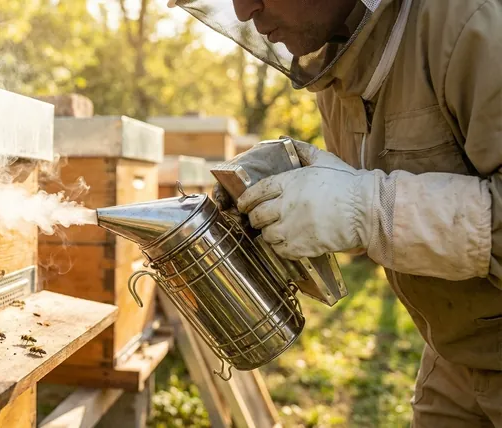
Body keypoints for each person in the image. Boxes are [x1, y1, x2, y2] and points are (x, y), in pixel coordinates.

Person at [168, 0, 502, 426]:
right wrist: (285, 184)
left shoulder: (473, 21)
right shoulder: (334, 66)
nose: (244, 10)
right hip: (450, 352)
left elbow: (374, 202)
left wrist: (369, 208)